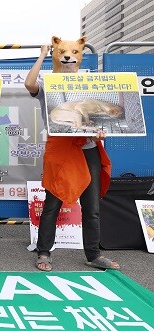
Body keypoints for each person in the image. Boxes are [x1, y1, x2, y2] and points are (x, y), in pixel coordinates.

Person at [24, 37, 120, 272]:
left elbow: (96, 119)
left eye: (74, 52)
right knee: (53, 202)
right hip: (60, 150)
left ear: (80, 55)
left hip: (88, 149)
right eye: (63, 52)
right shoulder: (48, 83)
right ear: (57, 54)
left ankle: (93, 254)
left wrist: (100, 133)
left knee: (92, 206)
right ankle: (44, 251)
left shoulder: (88, 83)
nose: (68, 56)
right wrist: (42, 54)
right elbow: (29, 84)